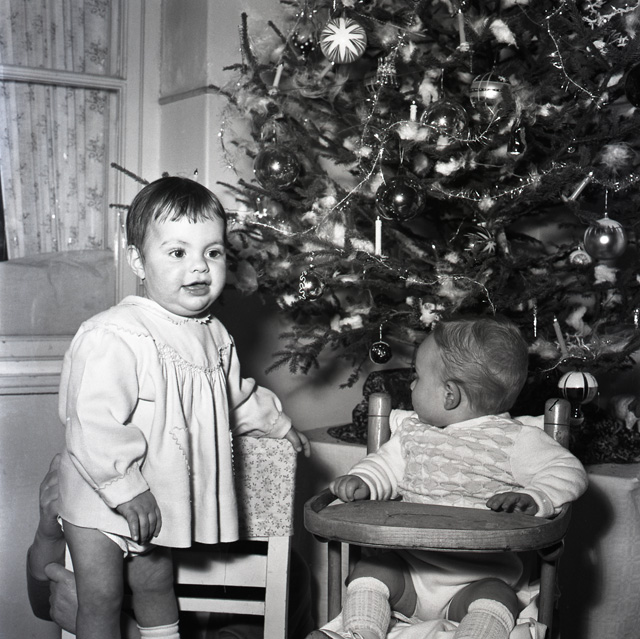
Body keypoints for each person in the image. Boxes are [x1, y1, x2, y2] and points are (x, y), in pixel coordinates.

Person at [54, 176, 310, 639]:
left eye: (213, 252)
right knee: (102, 596)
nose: (199, 267)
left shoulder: (213, 334)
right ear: (138, 261)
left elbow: (231, 399)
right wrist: (124, 488)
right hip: (100, 497)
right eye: (177, 252)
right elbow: (92, 424)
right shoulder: (116, 334)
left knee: (155, 584)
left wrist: (275, 423)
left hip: (158, 497)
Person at [308, 317, 588, 639]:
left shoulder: (516, 439)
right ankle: (359, 633)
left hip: (479, 578)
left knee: (498, 596)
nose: (411, 385)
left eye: (417, 376)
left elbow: (568, 471)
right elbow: (384, 465)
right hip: (410, 571)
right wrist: (364, 481)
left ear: (450, 395)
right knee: (372, 570)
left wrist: (536, 497)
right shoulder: (412, 433)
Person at [27, 455, 316, 639]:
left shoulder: (271, 569)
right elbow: (44, 605)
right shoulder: (121, 537)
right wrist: (49, 533)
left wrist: (108, 624)